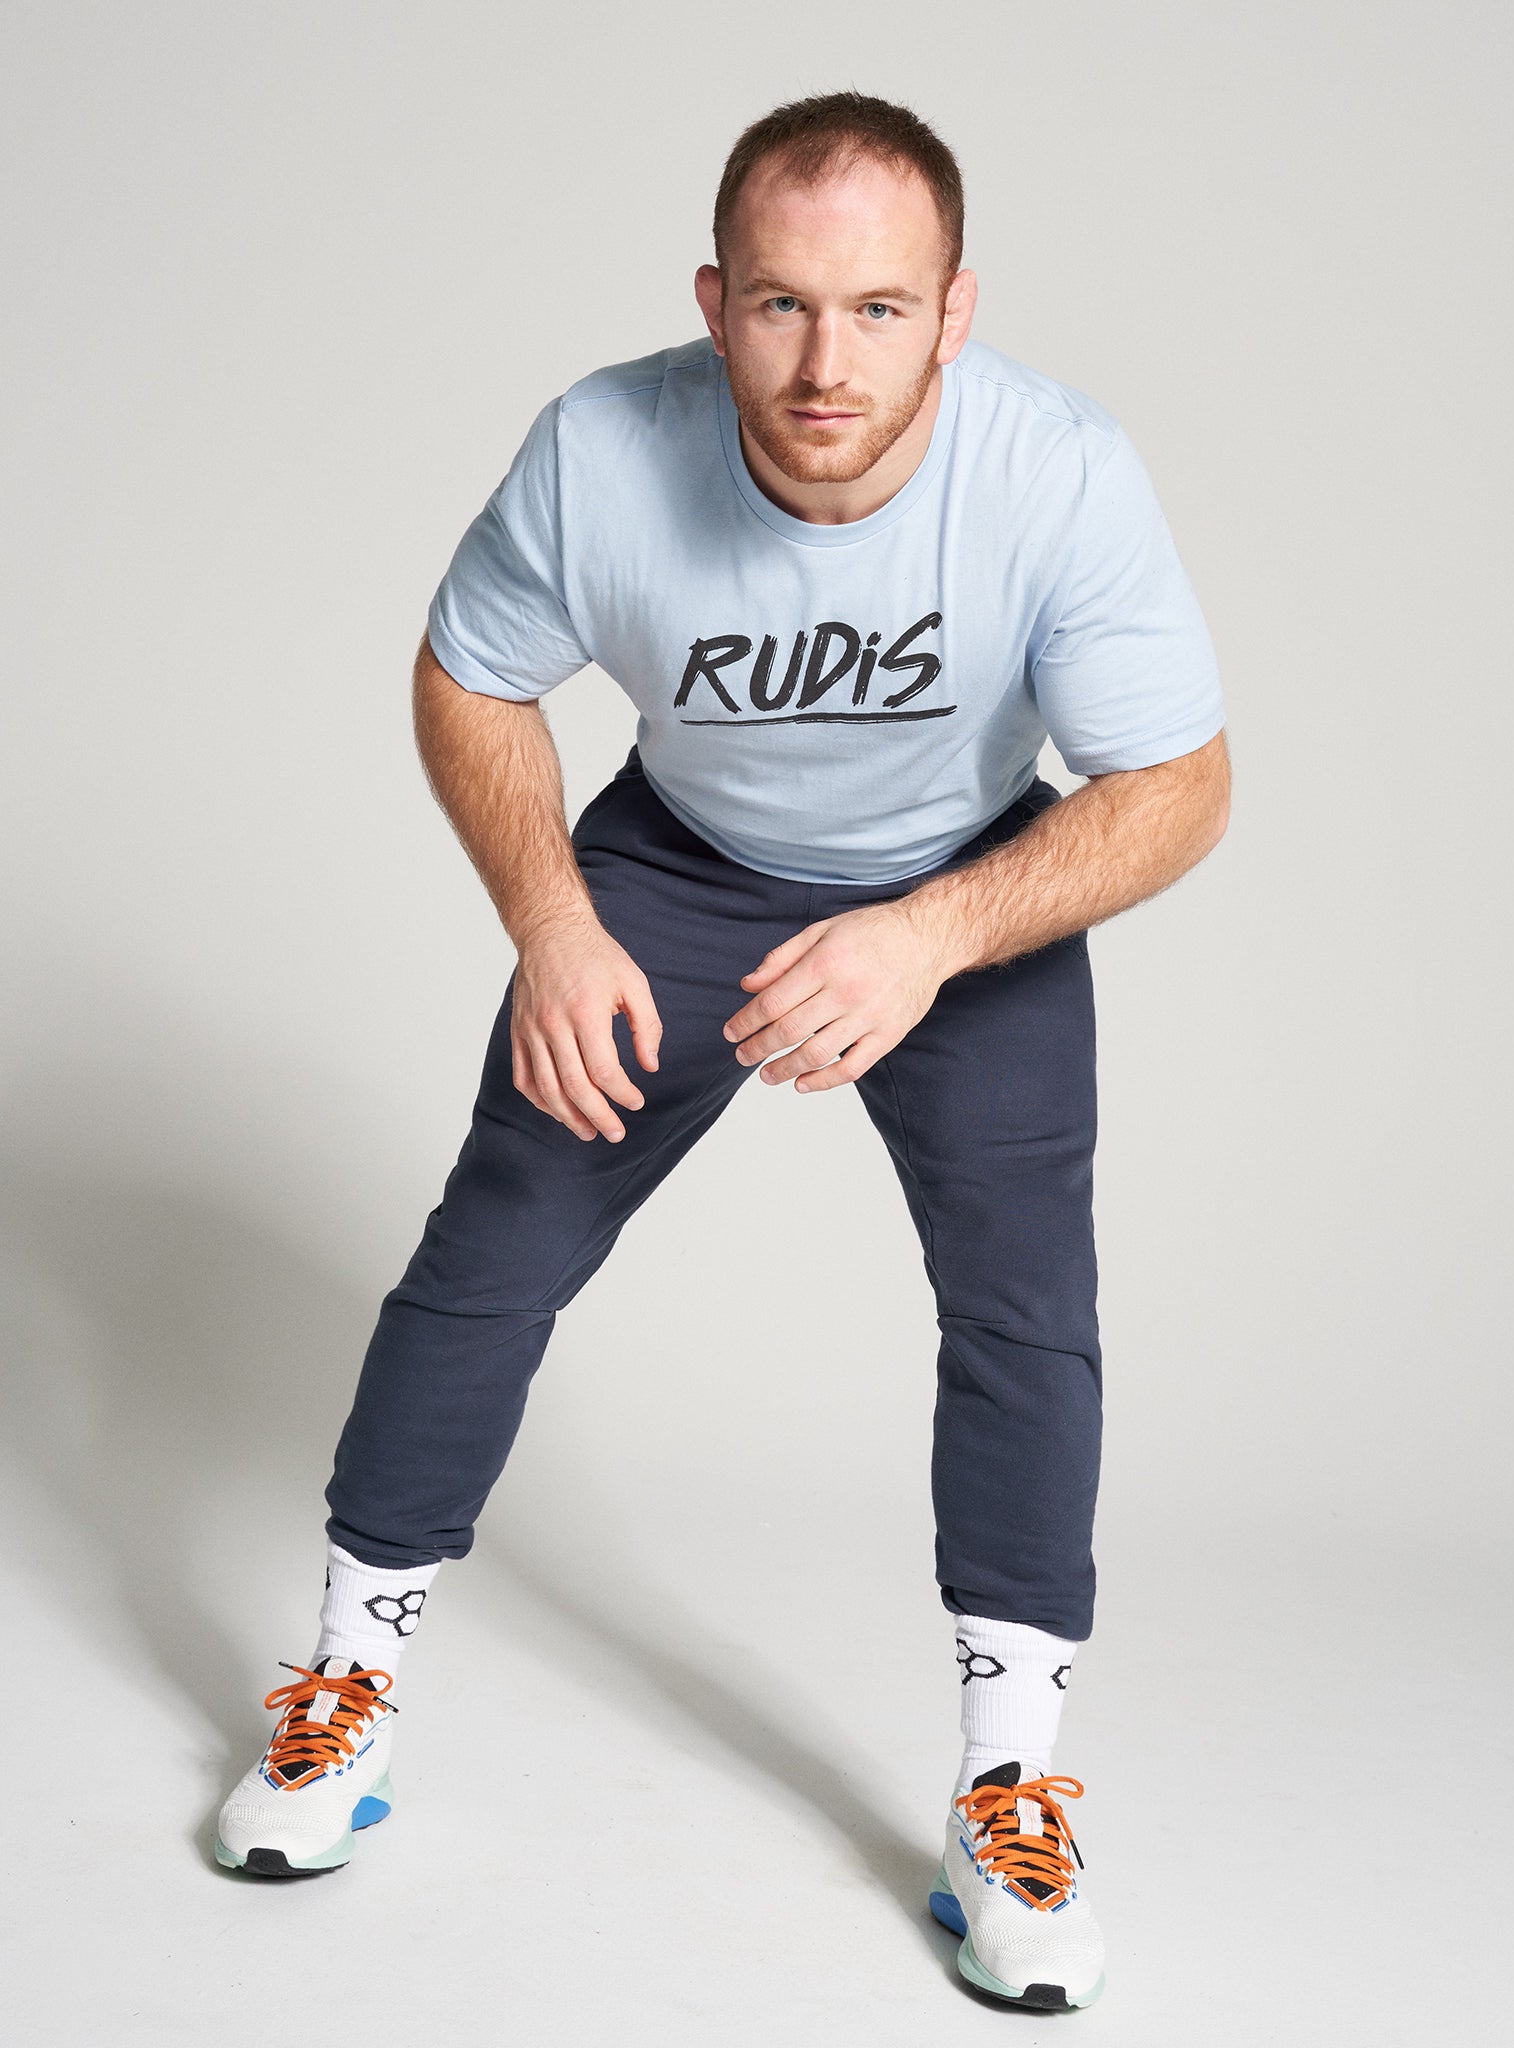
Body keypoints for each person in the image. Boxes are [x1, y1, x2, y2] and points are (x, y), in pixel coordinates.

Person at [215, 91, 1230, 2013]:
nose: (823, 360)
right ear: (712, 301)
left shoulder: (1058, 471)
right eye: (777, 305)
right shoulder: (604, 447)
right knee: (495, 1243)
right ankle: (345, 1684)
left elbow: (1178, 785)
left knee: (1025, 1304)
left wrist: (929, 934)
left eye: (874, 309)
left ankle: (1007, 1781)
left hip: (961, 893)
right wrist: (549, 918)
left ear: (953, 310)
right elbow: (471, 672)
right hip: (674, 871)